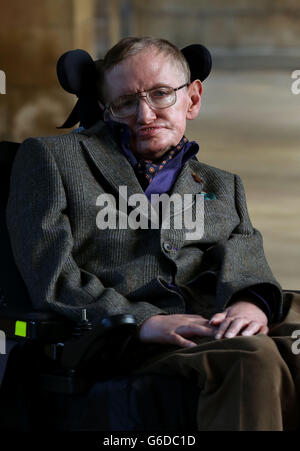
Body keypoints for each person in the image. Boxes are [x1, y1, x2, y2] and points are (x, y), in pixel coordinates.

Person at [6, 36, 300, 430]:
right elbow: (52, 277)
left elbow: (246, 256)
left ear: (192, 99)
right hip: (120, 337)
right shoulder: (53, 160)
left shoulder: (221, 183)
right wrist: (142, 321)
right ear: (107, 108)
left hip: (212, 318)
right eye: (126, 102)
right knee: (251, 358)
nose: (145, 115)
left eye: (161, 94)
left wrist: (251, 303)